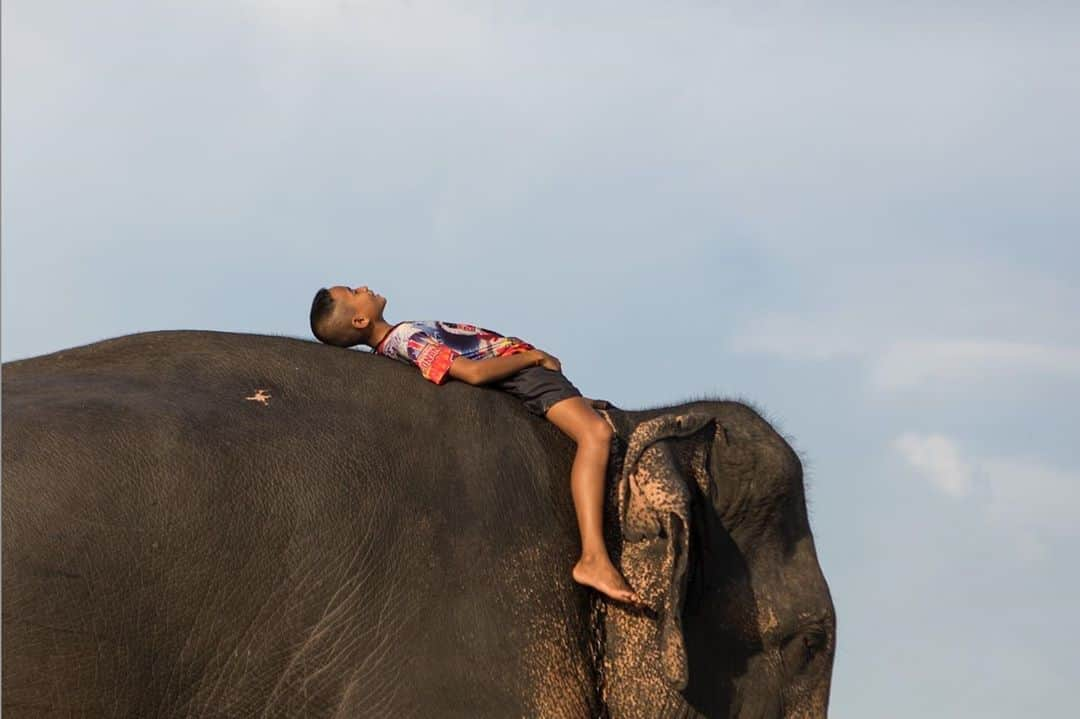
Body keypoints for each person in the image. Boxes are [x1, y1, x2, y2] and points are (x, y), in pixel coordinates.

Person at [309, 284, 640, 606]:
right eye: (353, 292)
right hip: (525, 375)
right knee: (595, 434)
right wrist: (533, 358)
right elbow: (474, 373)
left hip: (526, 378)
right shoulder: (406, 340)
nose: (363, 287)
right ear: (359, 321)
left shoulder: (398, 339)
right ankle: (593, 557)